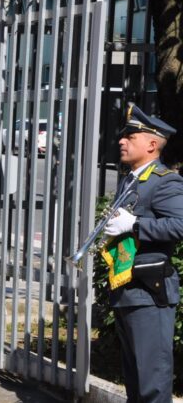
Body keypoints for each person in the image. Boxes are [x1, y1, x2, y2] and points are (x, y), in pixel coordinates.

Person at [103, 104, 183, 403]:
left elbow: (180, 224)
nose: (122, 141)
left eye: (131, 136)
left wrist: (134, 224)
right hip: (129, 289)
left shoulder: (165, 181)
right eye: (123, 136)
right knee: (136, 381)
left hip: (150, 293)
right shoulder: (131, 180)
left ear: (152, 144)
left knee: (152, 382)